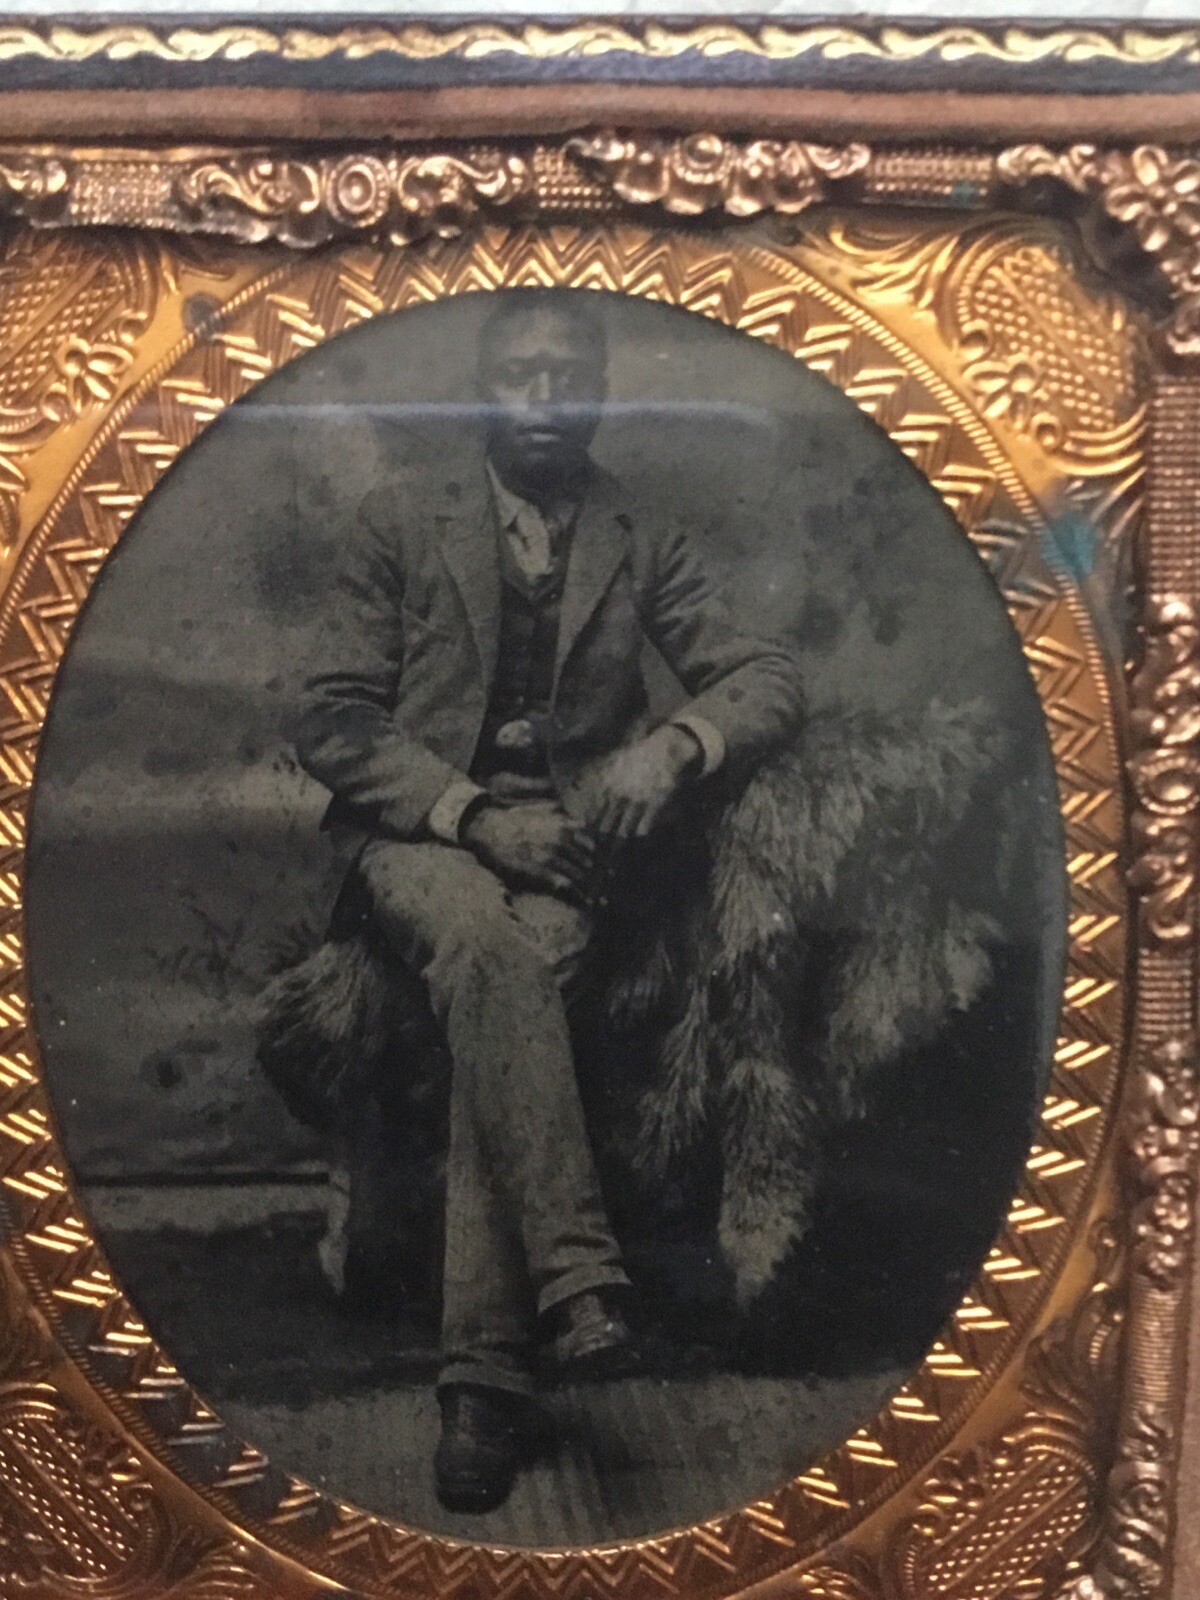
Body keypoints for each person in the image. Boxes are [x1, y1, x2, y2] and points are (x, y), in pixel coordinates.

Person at [297, 290, 804, 1513]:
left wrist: (672, 745)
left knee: (508, 978)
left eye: (568, 377)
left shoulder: (641, 532)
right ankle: (573, 1290)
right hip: (419, 845)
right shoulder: (399, 519)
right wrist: (472, 814)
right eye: (518, 376)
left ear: (599, 392)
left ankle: (482, 1378)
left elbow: (766, 675)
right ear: (484, 392)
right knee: (482, 938)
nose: (544, 400)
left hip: (574, 857)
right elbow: (329, 715)